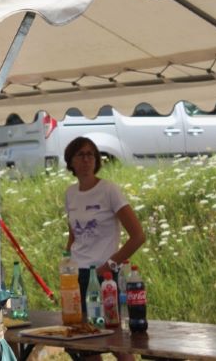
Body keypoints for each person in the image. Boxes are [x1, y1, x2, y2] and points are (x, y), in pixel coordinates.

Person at [64, 137, 145, 361]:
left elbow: (138, 236)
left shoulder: (109, 190)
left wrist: (109, 265)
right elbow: (74, 233)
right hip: (76, 275)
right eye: (81, 154)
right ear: (71, 161)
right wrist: (67, 263)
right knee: (85, 343)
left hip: (104, 276)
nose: (86, 159)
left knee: (114, 340)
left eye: (91, 154)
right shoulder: (70, 193)